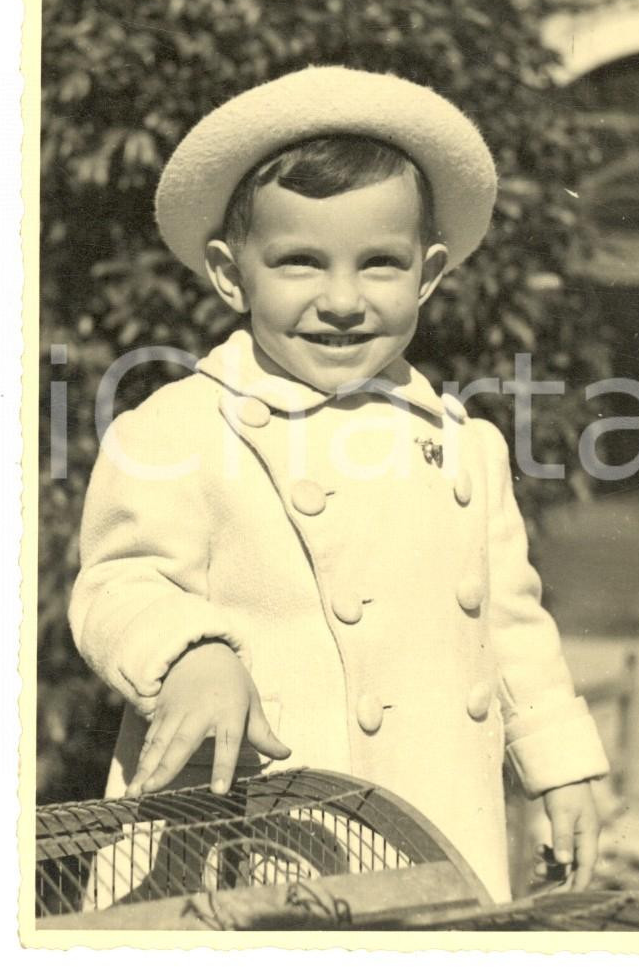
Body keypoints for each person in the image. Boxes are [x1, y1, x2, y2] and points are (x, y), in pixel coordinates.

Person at [69, 66, 609, 903]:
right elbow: (116, 583)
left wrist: (560, 764)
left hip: (438, 827)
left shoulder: (469, 446)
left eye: (381, 264)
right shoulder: (178, 426)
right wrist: (192, 652)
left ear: (427, 275)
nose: (344, 300)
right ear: (228, 271)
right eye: (301, 262)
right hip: (251, 832)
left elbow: (511, 624)